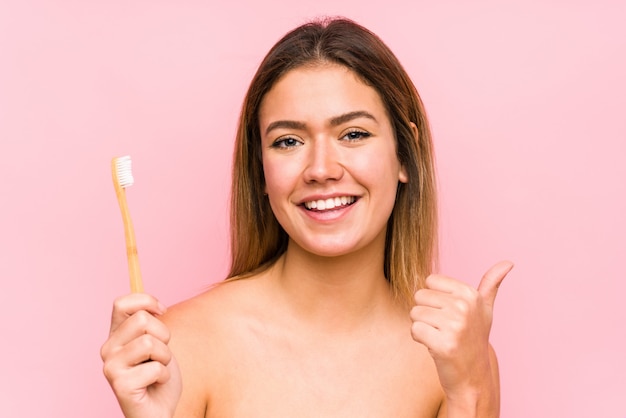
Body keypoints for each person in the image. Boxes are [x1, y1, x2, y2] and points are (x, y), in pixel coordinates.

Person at [101, 16, 513, 418]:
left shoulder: (455, 359)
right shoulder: (179, 347)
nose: (321, 169)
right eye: (288, 141)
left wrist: (470, 389)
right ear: (260, 169)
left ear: (404, 153)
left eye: (353, 134)